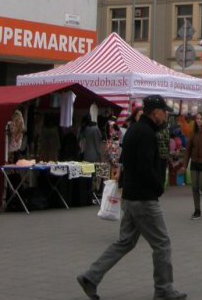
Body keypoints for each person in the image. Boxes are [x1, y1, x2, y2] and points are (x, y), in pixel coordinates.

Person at [77, 95, 187, 300]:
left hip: (130, 196)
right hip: (144, 199)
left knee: (125, 242)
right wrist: (158, 186)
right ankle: (163, 289)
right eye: (164, 112)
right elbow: (145, 167)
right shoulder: (146, 133)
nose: (166, 116)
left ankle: (90, 277)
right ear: (156, 112)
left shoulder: (134, 130)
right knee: (162, 244)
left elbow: (126, 162)